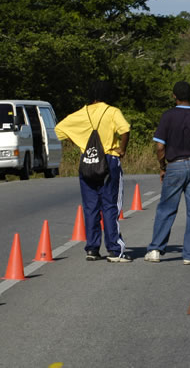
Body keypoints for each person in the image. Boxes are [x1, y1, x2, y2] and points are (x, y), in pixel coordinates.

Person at [55, 81, 132, 262]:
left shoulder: (82, 113)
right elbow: (125, 129)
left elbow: (59, 130)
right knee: (110, 205)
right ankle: (114, 249)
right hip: (108, 160)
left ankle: (92, 248)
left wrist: (82, 143)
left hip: (88, 161)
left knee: (91, 207)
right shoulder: (112, 111)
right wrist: (122, 149)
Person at [144, 81, 190, 265]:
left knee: (167, 209)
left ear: (174, 96)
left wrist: (162, 166)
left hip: (174, 166)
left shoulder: (168, 117)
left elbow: (160, 147)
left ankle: (156, 250)